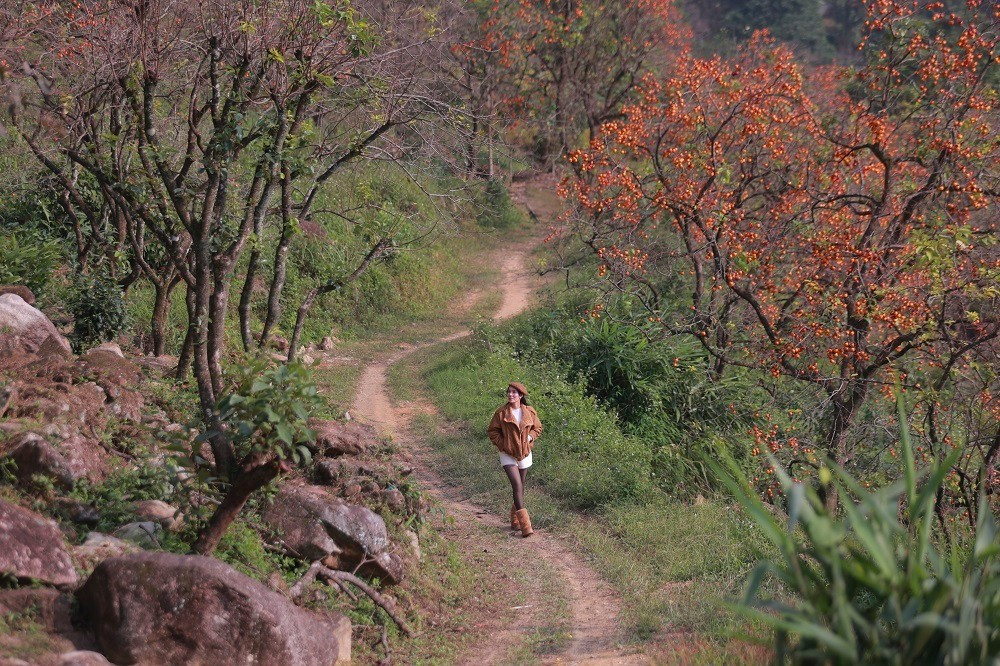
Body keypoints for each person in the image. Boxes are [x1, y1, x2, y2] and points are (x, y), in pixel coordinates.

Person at [487, 382, 542, 537]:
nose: (510, 395)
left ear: (521, 395)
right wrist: (503, 444)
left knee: (520, 487)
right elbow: (492, 431)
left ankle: (515, 520)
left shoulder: (529, 412)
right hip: (507, 454)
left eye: (514, 393)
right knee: (517, 485)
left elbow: (537, 428)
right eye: (509, 392)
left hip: (524, 453)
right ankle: (526, 525)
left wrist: (530, 437)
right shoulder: (501, 413)